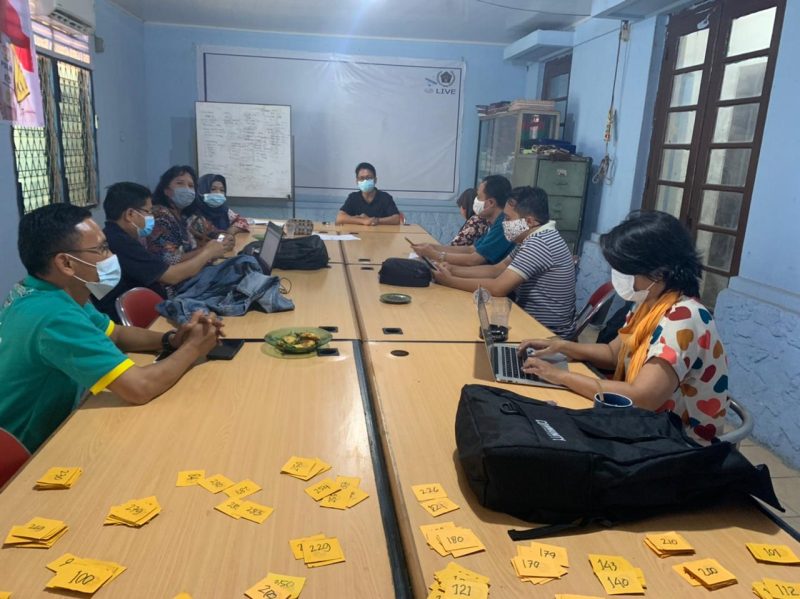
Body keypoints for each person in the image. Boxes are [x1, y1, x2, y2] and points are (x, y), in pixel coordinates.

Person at [0, 204, 223, 455]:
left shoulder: (49, 292)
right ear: (66, 263)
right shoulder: (54, 315)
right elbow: (139, 387)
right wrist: (194, 347)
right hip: (28, 452)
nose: (111, 256)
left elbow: (115, 334)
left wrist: (172, 339)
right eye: (101, 249)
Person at [519, 210, 729, 444]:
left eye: (625, 269)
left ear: (658, 272)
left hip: (676, 446)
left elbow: (641, 399)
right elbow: (613, 353)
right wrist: (561, 347)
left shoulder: (684, 319)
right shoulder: (649, 303)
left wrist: (559, 376)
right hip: (646, 426)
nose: (618, 276)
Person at [433, 186, 576, 338]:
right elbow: (497, 269)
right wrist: (453, 270)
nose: (504, 224)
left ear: (529, 221)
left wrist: (450, 281)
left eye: (508, 219)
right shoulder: (531, 238)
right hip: (528, 321)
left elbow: (498, 288)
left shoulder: (540, 243)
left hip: (545, 333)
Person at [96, 182, 230, 321]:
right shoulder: (120, 242)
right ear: (130, 214)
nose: (151, 217)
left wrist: (206, 250)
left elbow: (163, 265)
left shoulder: (118, 236)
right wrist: (207, 253)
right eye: (148, 212)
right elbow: (171, 276)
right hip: (142, 318)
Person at [412, 175, 514, 266]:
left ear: (491, 202)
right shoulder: (493, 223)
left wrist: (435, 255)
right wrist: (432, 247)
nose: (475, 200)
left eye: (478, 197)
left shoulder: (504, 225)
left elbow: (474, 260)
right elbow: (471, 249)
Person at [147, 165, 234, 265]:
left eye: (191, 186)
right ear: (166, 190)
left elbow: (215, 232)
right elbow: (168, 260)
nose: (187, 189)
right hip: (178, 277)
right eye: (180, 183)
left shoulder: (188, 216)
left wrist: (225, 239)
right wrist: (207, 252)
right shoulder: (160, 216)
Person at [186, 173, 250, 246]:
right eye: (213, 189)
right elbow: (214, 236)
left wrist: (231, 231)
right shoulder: (194, 215)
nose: (218, 193)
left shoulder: (224, 210)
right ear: (202, 190)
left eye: (222, 190)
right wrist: (225, 237)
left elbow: (242, 221)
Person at [336, 162, 402, 226]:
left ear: (375, 180)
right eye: (361, 178)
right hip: (358, 235)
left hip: (381, 235)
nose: (365, 181)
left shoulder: (385, 197)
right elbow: (339, 218)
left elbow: (396, 219)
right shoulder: (353, 197)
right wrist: (363, 221)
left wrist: (376, 220)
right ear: (357, 181)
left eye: (368, 178)